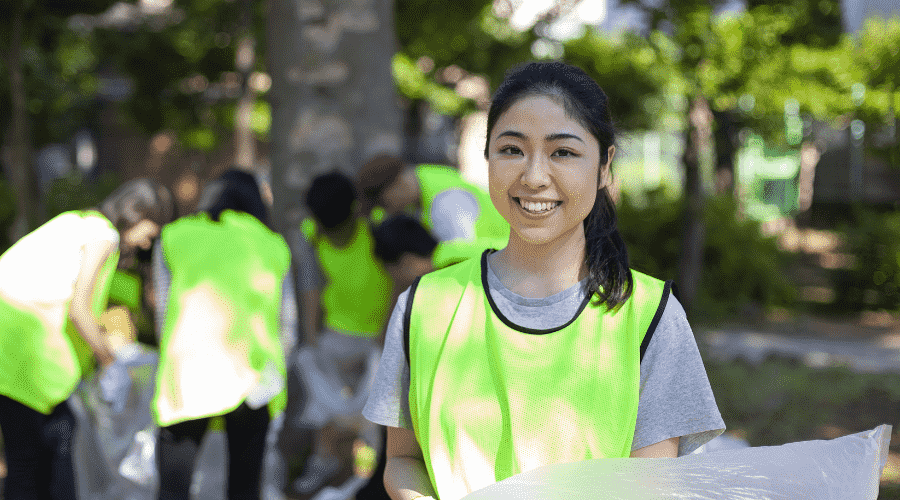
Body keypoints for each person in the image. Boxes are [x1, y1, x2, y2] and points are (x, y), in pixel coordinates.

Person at [362, 61, 726, 500]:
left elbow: (649, 486)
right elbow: (403, 460)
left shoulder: (650, 313)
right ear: (488, 157)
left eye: (563, 152)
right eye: (512, 150)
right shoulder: (424, 305)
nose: (534, 177)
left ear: (604, 165)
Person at [0, 178, 172, 500]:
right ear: (134, 213)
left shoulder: (74, 223)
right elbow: (80, 310)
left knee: (24, 464)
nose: (147, 243)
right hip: (28, 360)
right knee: (58, 455)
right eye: (149, 232)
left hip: (7, 356)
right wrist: (111, 363)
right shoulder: (103, 235)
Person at [152, 169, 295, 500]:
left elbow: (162, 310)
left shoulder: (174, 236)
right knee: (245, 488)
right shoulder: (272, 244)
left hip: (187, 375)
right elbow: (287, 320)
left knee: (174, 488)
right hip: (254, 377)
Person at [289, 171, 393, 495]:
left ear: (354, 211)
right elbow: (311, 290)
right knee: (323, 405)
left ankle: (376, 471)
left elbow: (396, 281)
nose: (332, 235)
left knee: (380, 411)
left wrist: (383, 341)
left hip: (379, 337)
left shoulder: (377, 229)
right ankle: (325, 461)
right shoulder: (312, 236)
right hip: (336, 335)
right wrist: (311, 342)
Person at [356, 155, 510, 265]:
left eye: (383, 203)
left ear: (399, 184)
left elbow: (463, 261)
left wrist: (429, 264)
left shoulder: (444, 204)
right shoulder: (425, 177)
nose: (385, 212)